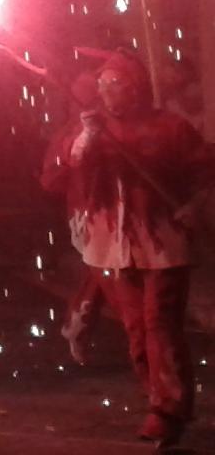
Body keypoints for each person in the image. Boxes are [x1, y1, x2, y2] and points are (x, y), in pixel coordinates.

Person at [66, 49, 213, 448]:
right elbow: (76, 167)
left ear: (135, 88)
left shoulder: (171, 128)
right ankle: (160, 400)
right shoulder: (94, 129)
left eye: (116, 84)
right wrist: (89, 135)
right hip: (113, 245)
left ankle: (168, 408)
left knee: (160, 326)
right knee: (136, 330)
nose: (108, 92)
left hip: (163, 244)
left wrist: (193, 206)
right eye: (103, 85)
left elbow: (205, 172)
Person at [40, 70, 115, 364]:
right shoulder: (75, 131)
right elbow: (53, 176)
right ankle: (78, 326)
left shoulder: (114, 125)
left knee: (105, 273)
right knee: (103, 272)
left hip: (114, 212)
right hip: (91, 213)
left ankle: (79, 326)